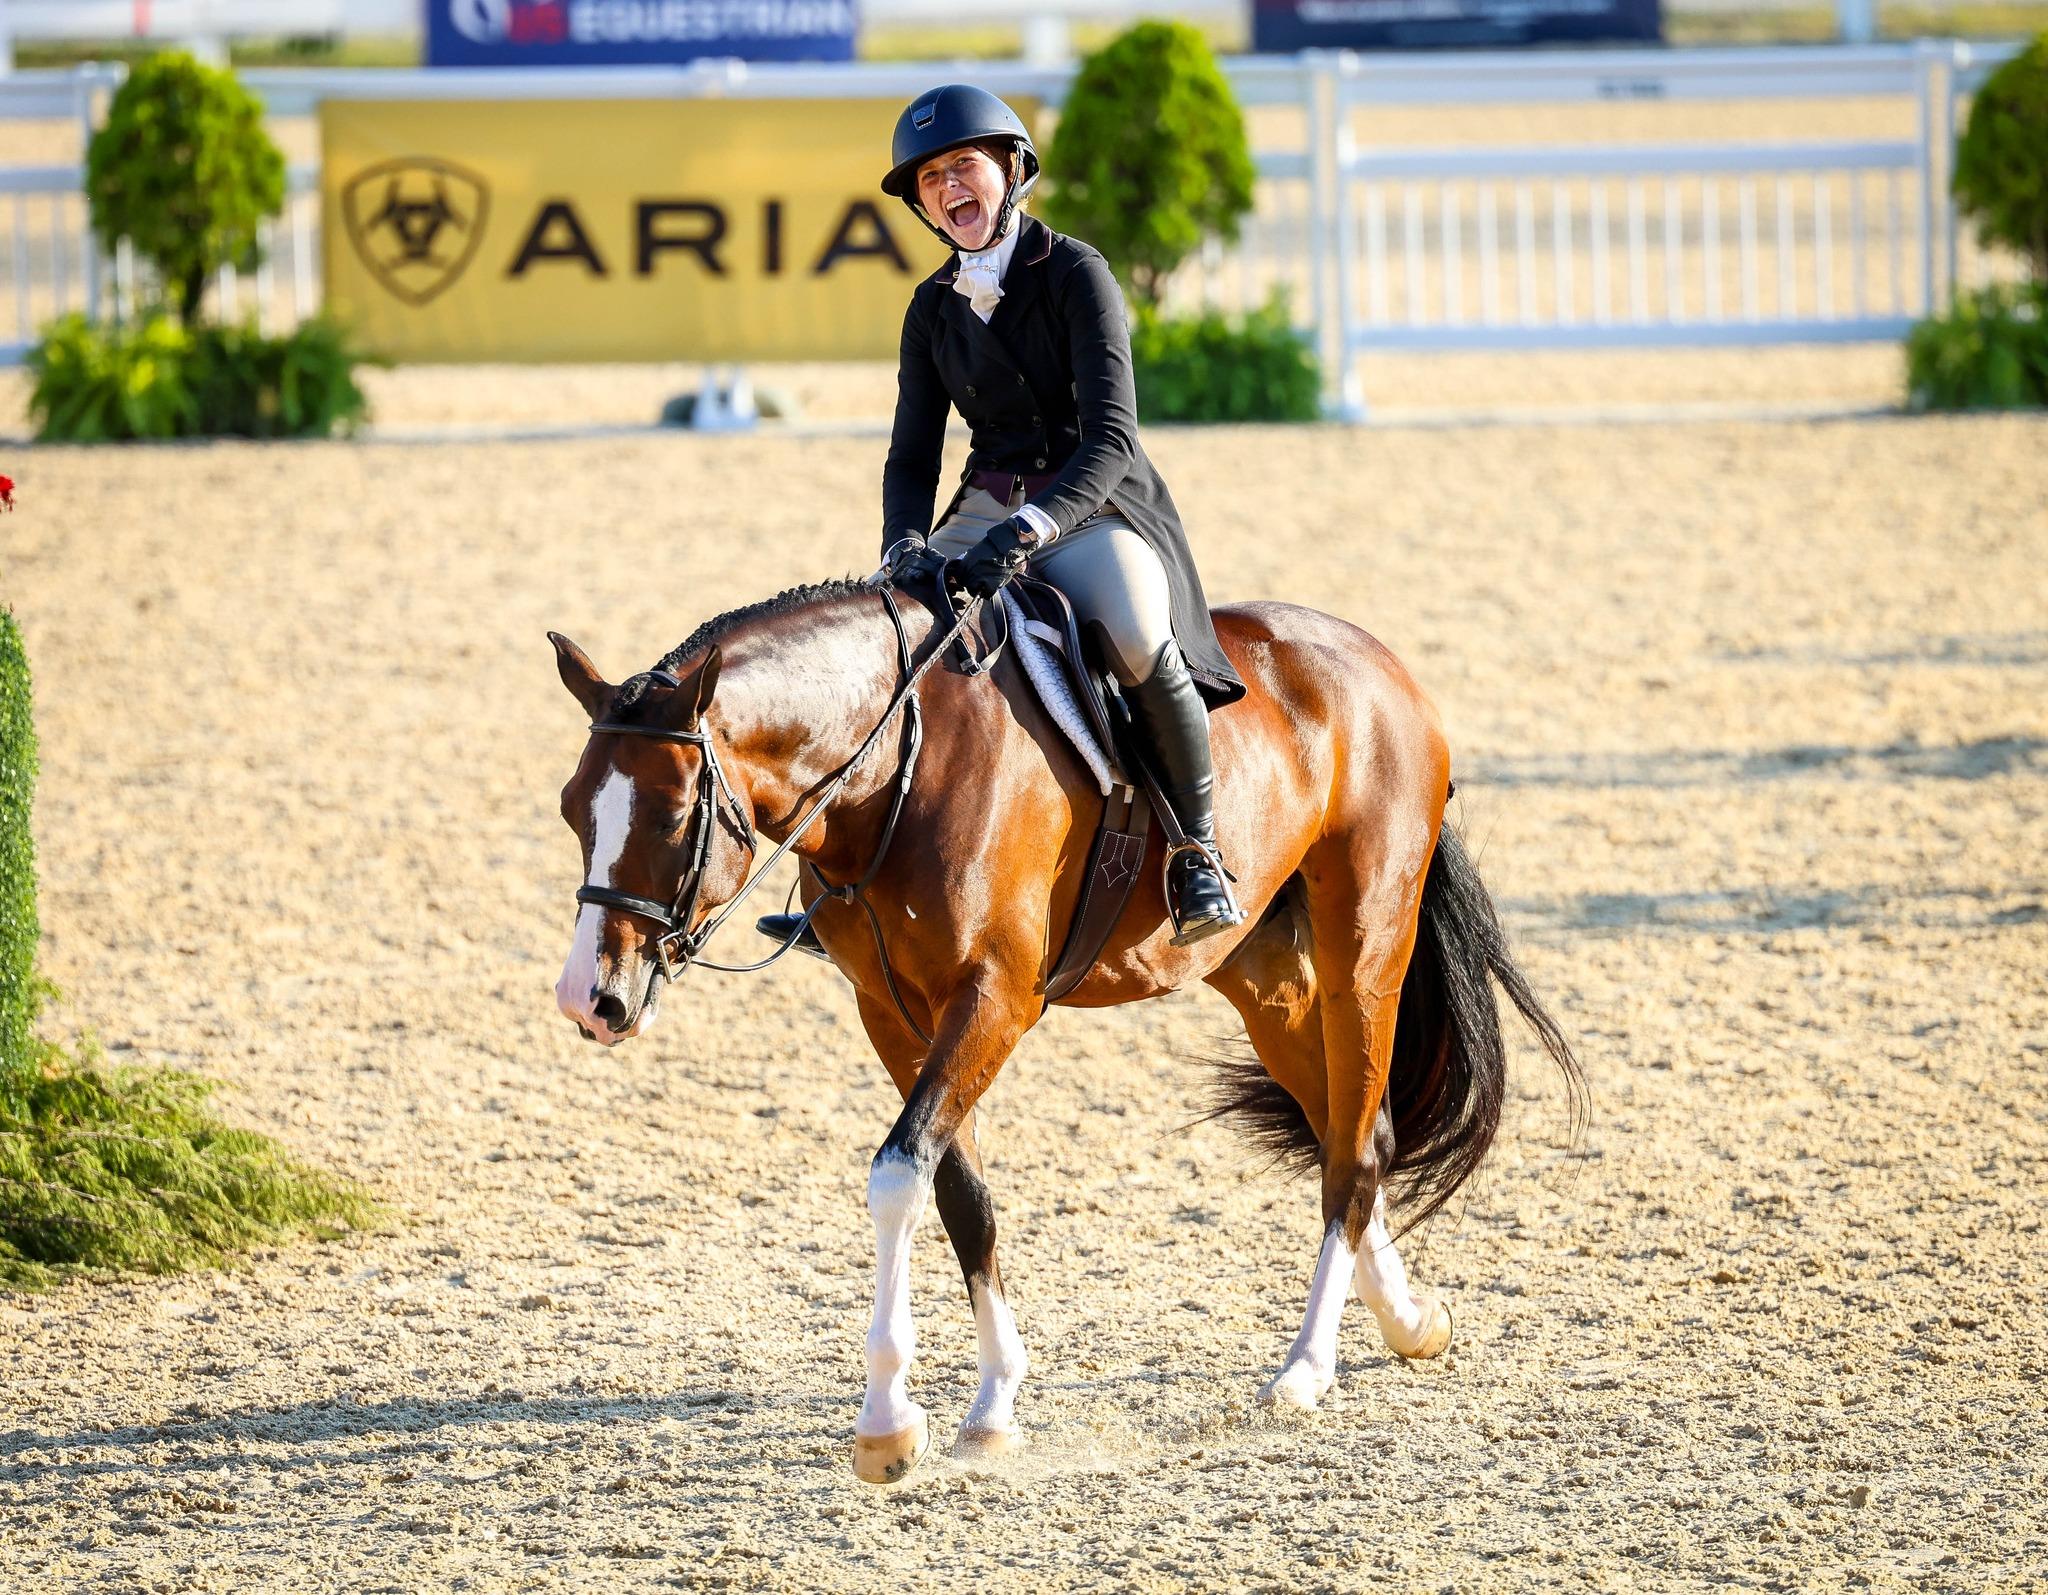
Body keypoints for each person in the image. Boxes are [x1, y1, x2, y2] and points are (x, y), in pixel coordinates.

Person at [762, 83, 1247, 953]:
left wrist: (1033, 531)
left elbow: (1111, 436)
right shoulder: (931, 307)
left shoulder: (1075, 273)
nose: (950, 187)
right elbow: (912, 455)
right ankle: (841, 891)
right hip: (986, 498)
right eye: (931, 178)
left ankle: (1197, 848)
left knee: (1136, 633)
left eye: (964, 165)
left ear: (1011, 169)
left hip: (1094, 498)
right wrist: (904, 541)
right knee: (887, 636)